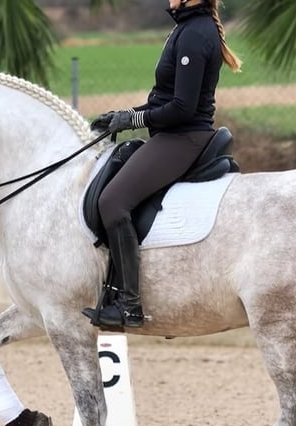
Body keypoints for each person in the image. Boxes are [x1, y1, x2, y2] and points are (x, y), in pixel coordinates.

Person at [83, 0, 242, 328]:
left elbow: (182, 108)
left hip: (183, 138)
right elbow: (163, 99)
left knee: (112, 202)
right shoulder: (186, 27)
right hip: (172, 135)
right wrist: (123, 116)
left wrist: (134, 119)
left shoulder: (195, 33)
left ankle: (128, 305)